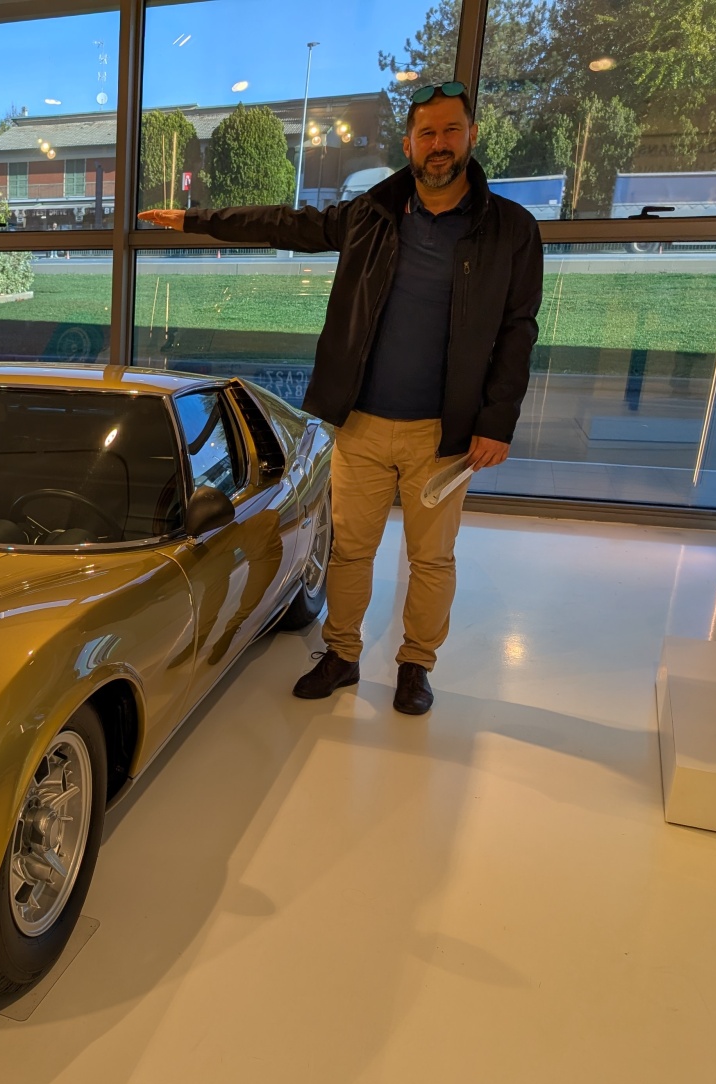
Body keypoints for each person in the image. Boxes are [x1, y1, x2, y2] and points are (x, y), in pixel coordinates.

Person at [140, 81, 544, 715]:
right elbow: (286, 224)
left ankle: (416, 664)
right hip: (361, 423)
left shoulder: (511, 230)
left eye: (451, 131)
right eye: (427, 133)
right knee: (350, 548)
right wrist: (196, 219)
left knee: (431, 558)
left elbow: (519, 330)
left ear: (471, 136)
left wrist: (498, 420)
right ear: (409, 144)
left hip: (445, 433)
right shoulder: (372, 215)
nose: (439, 144)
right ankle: (343, 653)